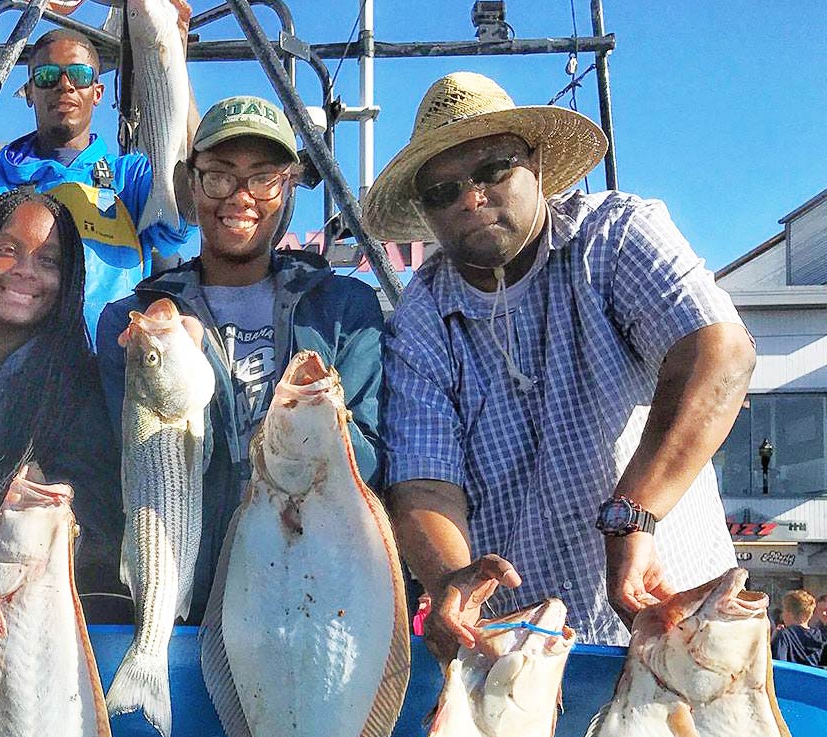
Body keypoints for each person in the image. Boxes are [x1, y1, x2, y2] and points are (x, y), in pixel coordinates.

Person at [365, 72, 753, 655]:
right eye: (443, 192)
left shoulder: (615, 233)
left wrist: (635, 516)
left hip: (678, 617)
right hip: (519, 653)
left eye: (493, 169)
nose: (472, 198)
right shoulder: (421, 312)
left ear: (536, 164)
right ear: (427, 212)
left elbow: (719, 354)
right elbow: (424, 481)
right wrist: (449, 581)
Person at [95, 95, 384, 617]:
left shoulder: (347, 310)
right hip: (187, 600)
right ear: (190, 183)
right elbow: (140, 462)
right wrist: (188, 363)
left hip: (315, 599)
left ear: (288, 184)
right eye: (220, 176)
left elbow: (371, 468)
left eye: (263, 177)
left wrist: (316, 420)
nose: (241, 196)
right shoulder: (130, 324)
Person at [0, 18, 196, 339]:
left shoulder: (130, 178)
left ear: (98, 92)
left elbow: (191, 199)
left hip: (110, 374)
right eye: (47, 76)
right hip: (15, 379)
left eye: (79, 75)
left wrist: (173, 59)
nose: (65, 85)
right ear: (29, 92)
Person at [0, 186, 123, 601]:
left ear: (68, 280)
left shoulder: (89, 386)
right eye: (7, 249)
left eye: (48, 261)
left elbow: (103, 529)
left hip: (42, 612)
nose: (25, 271)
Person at [772, 589, 825, 667]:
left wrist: (771, 641)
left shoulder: (784, 636)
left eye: (784, 610)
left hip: (792, 678)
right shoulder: (820, 636)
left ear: (789, 613)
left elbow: (778, 666)